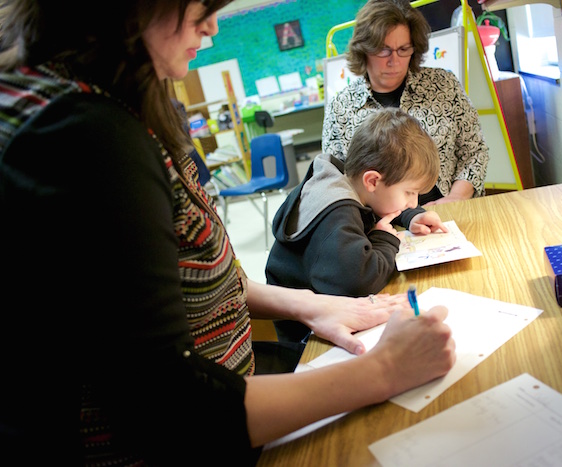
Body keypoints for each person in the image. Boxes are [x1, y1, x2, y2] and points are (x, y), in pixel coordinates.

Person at [0, 1, 456, 465]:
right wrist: (382, 370)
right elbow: (165, 406)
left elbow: (190, 274)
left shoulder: (104, 103)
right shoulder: (83, 137)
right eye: (199, 6)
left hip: (237, 382)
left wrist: (311, 304)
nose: (214, 25)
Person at [266, 107, 448, 342]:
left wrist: (410, 216)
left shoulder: (347, 180)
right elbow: (358, 282)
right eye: (410, 192)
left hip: (327, 310)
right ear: (372, 180)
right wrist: (386, 240)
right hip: (307, 339)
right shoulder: (337, 213)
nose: (413, 201)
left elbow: (375, 205)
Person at [322, 0, 490, 206]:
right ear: (364, 50)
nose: (394, 61)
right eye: (384, 50)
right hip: (381, 226)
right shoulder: (341, 108)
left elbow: (474, 151)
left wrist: (455, 198)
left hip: (450, 210)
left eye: (403, 49)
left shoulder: (442, 85)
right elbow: (334, 182)